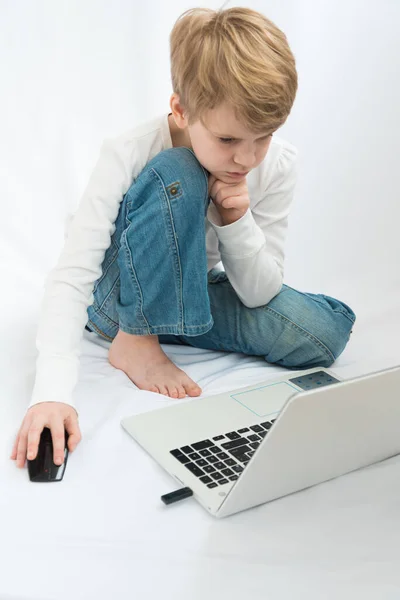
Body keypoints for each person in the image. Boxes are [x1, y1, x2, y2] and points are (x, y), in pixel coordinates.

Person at [11, 7, 356, 469]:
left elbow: (259, 291)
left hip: (187, 286)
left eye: (264, 137)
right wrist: (50, 393)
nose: (247, 158)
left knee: (325, 331)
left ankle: (171, 320)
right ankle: (135, 338)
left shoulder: (274, 165)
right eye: (229, 140)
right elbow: (75, 271)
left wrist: (235, 219)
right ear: (180, 109)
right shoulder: (130, 150)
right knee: (180, 171)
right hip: (115, 299)